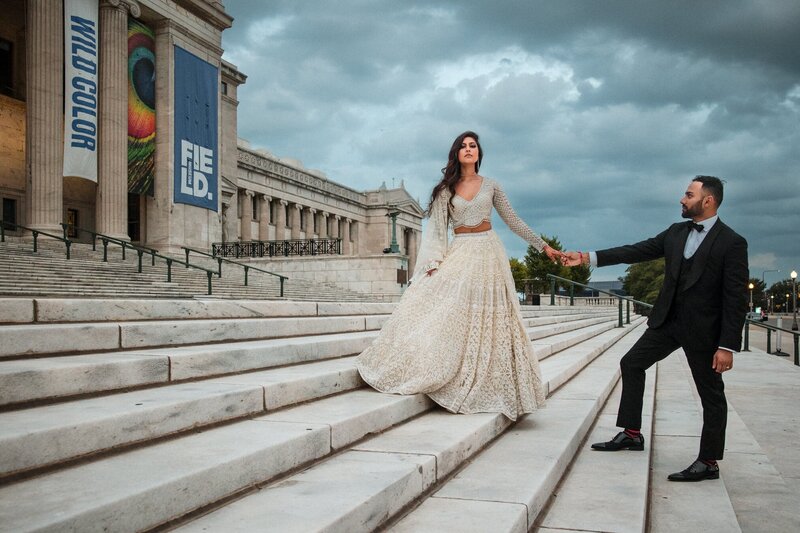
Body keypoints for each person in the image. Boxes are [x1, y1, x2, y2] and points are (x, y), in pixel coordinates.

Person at [356, 131, 562, 420]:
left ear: (479, 153)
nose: (468, 150)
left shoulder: (491, 186)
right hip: (461, 250)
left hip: (490, 252)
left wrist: (544, 247)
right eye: (463, 146)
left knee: (494, 320)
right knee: (449, 313)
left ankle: (492, 378)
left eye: (473, 146)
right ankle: (441, 367)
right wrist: (432, 263)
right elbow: (438, 231)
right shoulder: (446, 190)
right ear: (456, 153)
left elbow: (513, 220)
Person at [563, 176, 748, 481]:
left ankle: (708, 461)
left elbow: (736, 298)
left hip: (704, 331)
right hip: (667, 323)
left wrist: (727, 345)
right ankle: (632, 433)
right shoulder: (676, 232)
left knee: (711, 394)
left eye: (689, 195)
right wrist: (586, 257)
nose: (682, 199)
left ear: (708, 201)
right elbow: (636, 251)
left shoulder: (732, 242)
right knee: (632, 363)